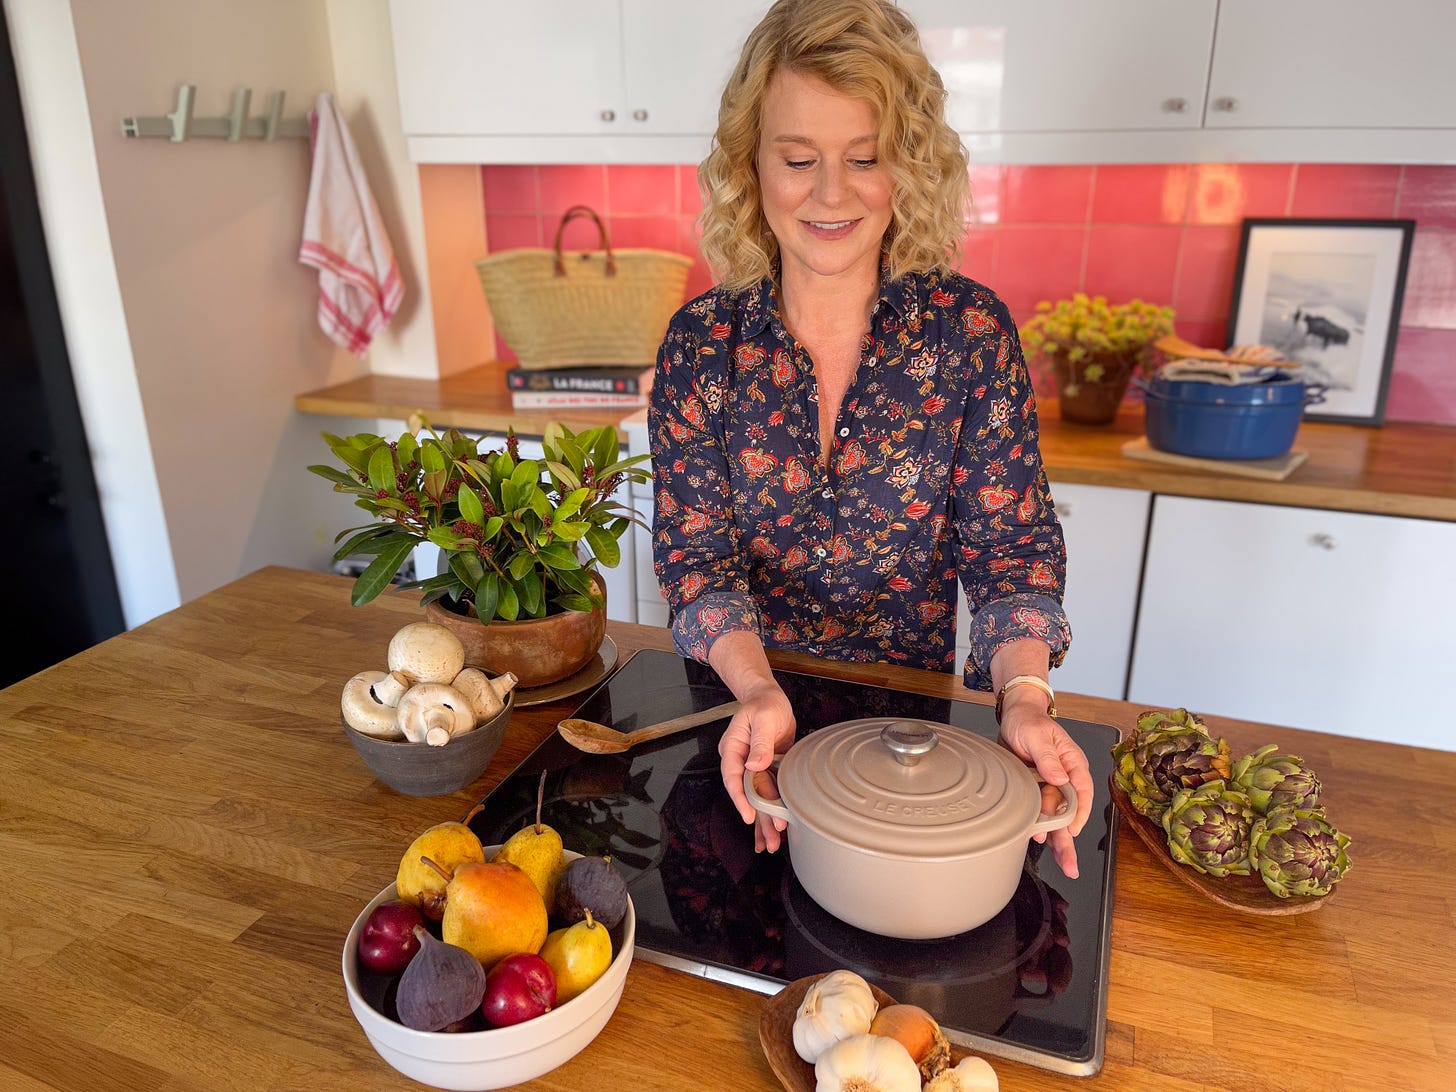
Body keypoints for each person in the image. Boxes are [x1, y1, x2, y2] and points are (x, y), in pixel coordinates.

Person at [648, 0, 1093, 877]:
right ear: (750, 164)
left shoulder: (969, 334)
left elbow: (1011, 553)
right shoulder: (702, 344)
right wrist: (758, 688)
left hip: (912, 753)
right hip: (743, 728)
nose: (830, 194)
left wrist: (1025, 697)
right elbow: (696, 560)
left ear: (909, 164)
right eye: (797, 159)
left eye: (865, 157)